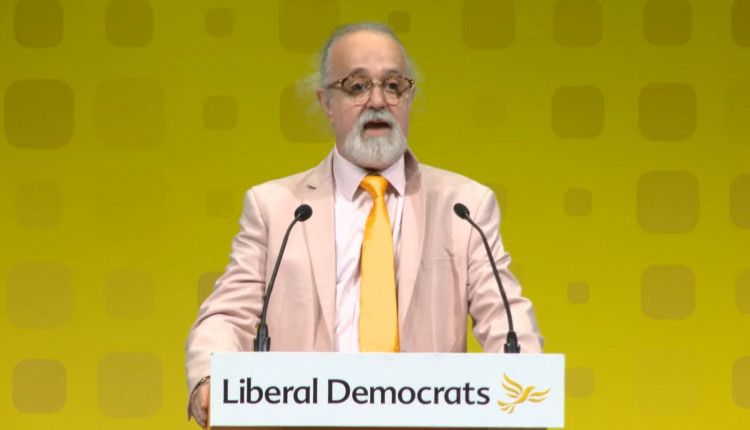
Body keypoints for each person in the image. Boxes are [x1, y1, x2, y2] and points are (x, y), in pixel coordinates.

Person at [185, 21, 543, 427]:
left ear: (409, 97)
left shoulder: (463, 206)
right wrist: (210, 377)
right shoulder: (277, 207)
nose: (378, 101)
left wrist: (526, 392)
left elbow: (506, 320)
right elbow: (226, 316)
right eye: (357, 86)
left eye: (393, 86)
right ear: (326, 101)